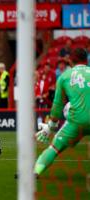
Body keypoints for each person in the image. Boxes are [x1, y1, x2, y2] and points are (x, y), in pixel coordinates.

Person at [34, 48, 90, 177]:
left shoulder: (64, 76)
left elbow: (57, 106)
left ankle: (34, 173)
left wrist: (50, 127)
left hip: (77, 122)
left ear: (70, 60)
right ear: (86, 59)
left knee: (54, 148)